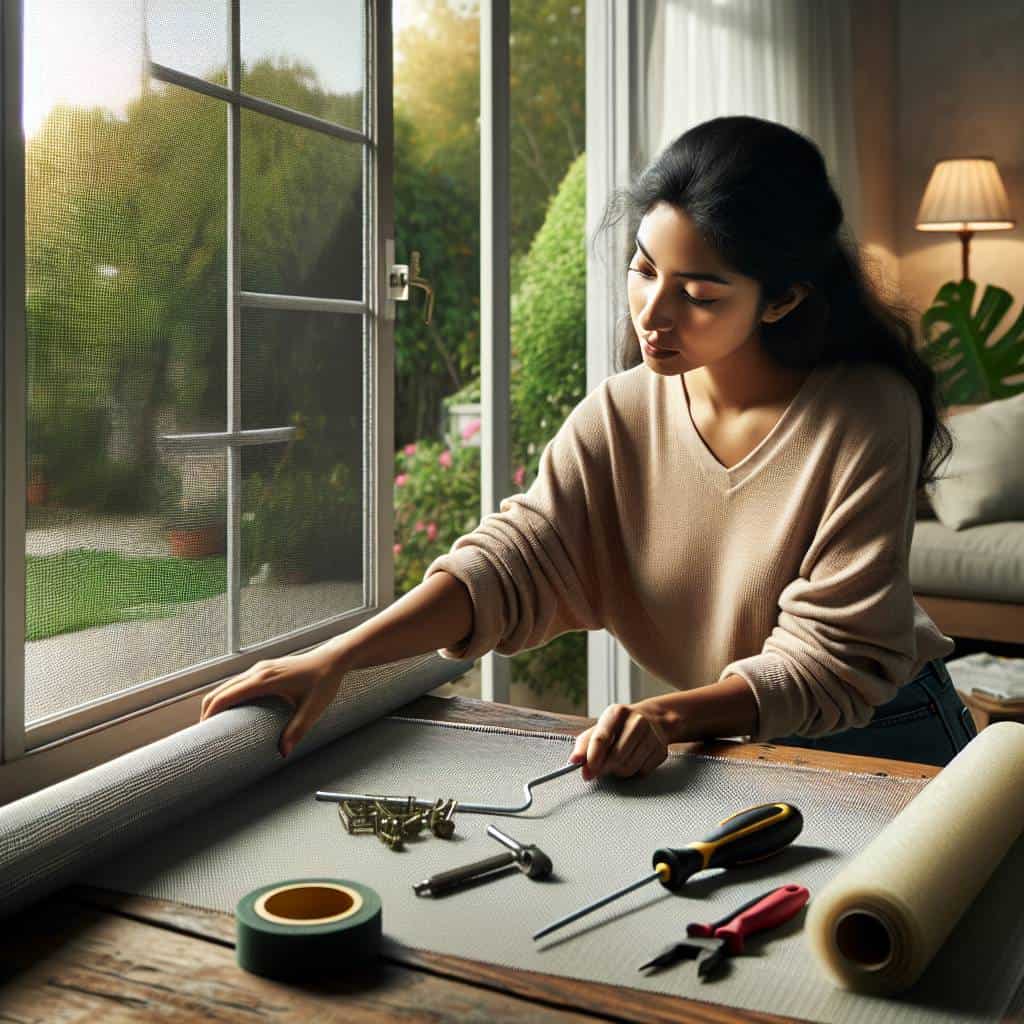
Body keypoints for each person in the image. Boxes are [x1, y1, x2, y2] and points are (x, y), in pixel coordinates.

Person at [200, 115, 977, 774]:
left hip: (885, 738)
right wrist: (335, 659)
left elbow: (830, 661)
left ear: (784, 299)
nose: (654, 315)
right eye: (644, 270)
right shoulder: (623, 412)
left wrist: (667, 721)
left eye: (700, 294)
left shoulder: (866, 412)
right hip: (733, 743)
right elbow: (510, 564)